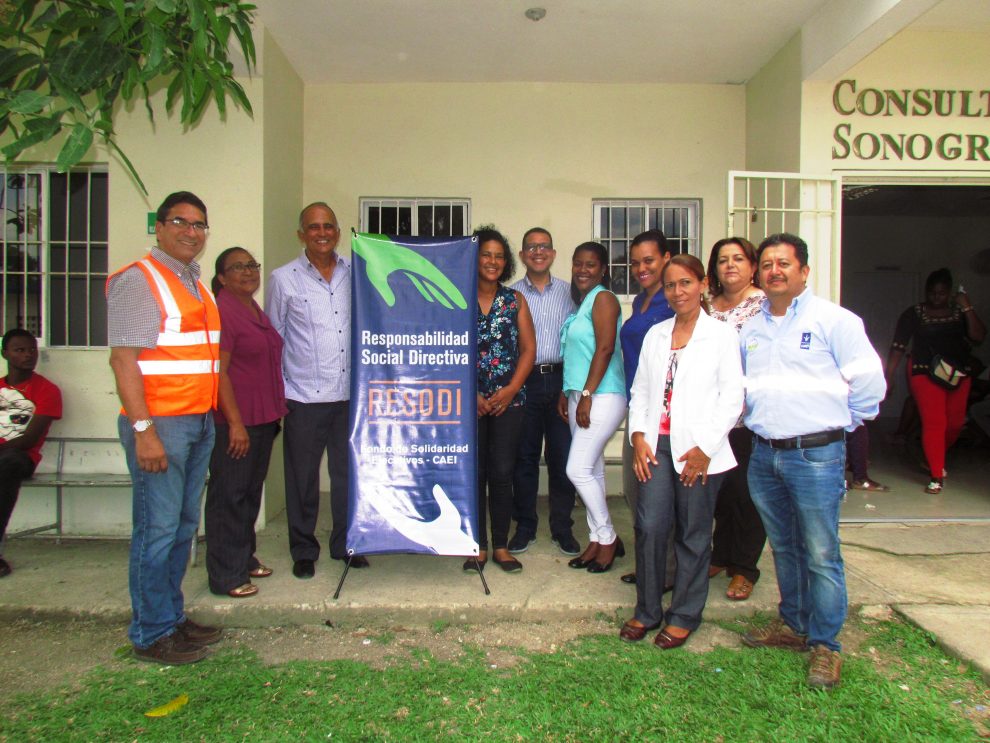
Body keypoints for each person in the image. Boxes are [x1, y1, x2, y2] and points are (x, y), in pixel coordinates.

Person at [739, 232, 885, 690]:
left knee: (821, 552)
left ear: (804, 271)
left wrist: (840, 426)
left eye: (784, 263)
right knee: (784, 546)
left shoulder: (834, 321)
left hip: (816, 456)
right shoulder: (752, 328)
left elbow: (869, 383)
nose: (774, 271)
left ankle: (826, 644)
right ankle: (793, 625)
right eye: (767, 264)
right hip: (765, 454)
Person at [107, 191, 223, 665]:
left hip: (197, 421)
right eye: (180, 222)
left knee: (180, 528)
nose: (190, 232)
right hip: (161, 426)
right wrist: (143, 429)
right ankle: (150, 632)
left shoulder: (196, 284)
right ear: (159, 226)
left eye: (199, 224)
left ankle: (171, 618)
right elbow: (123, 360)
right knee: (156, 530)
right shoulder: (140, 281)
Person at [621, 254, 743, 648]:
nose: (678, 292)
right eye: (671, 285)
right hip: (655, 447)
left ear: (703, 284)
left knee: (692, 533)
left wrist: (705, 449)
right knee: (650, 526)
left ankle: (685, 614)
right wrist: (638, 436)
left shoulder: (722, 335)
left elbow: (732, 398)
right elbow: (640, 390)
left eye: (686, 283)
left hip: (697, 451)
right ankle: (648, 610)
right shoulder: (657, 334)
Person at [267, 202, 366, 578]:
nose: (321, 233)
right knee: (302, 479)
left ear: (338, 233)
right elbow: (274, 339)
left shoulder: (356, 274)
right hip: (303, 398)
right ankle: (303, 549)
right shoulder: (283, 278)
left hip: (348, 398)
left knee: (347, 477)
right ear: (301, 234)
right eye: (313, 227)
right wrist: (279, 395)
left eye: (328, 226)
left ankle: (345, 545)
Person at [205, 247, 287, 598]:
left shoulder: (251, 307)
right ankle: (226, 575)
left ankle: (244, 556)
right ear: (222, 277)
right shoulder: (222, 311)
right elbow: (218, 372)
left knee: (249, 493)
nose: (248, 272)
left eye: (252, 265)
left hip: (262, 417)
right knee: (229, 496)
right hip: (235, 421)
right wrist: (235, 424)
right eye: (238, 267)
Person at [508, 227, 579, 557]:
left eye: (544, 246)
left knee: (562, 457)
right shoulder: (509, 295)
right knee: (524, 457)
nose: (538, 251)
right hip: (525, 382)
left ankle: (562, 527)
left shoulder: (570, 293)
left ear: (553, 254)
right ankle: (525, 525)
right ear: (522, 255)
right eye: (531, 247)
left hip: (563, 382)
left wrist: (573, 386)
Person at [558, 242, 627, 574]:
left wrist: (586, 394)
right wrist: (567, 392)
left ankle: (610, 537)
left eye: (590, 264)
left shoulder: (604, 298)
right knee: (594, 471)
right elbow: (576, 355)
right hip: (579, 395)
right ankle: (597, 539)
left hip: (602, 395)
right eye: (577, 264)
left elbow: (605, 348)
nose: (582, 269)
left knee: (577, 470)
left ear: (602, 270)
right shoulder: (582, 304)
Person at [886, 268, 986, 494]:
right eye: (932, 293)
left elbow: (978, 336)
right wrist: (888, 376)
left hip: (958, 374)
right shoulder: (914, 313)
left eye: (941, 293)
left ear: (949, 293)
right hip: (924, 372)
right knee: (935, 422)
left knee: (954, 424)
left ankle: (933, 458)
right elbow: (897, 347)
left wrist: (967, 306)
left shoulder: (960, 312)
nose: (936, 298)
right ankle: (936, 475)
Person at [472, 226, 536, 572]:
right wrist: (473, 394)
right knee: (474, 472)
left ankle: (500, 545)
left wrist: (511, 389)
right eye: (486, 254)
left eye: (499, 255)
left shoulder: (515, 300)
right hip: (468, 402)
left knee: (501, 472)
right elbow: (445, 348)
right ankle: (476, 545)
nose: (493, 261)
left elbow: (529, 349)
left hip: (510, 400)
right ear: (473, 258)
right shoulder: (455, 298)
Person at [706, 237, 766, 601]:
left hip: (748, 417)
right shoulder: (708, 306)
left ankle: (744, 568)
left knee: (746, 494)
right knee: (721, 491)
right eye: (723, 260)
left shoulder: (762, 306)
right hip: (712, 415)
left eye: (738, 259)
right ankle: (722, 554)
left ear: (752, 266)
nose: (730, 266)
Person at [617, 229, 674, 586]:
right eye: (635, 262)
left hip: (665, 414)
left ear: (666, 258)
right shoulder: (641, 302)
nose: (641, 268)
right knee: (637, 491)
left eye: (649, 260)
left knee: (659, 498)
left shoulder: (674, 302)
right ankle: (649, 568)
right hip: (638, 407)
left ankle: (666, 573)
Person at [0, 329, 63, 578]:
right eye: (20, 350)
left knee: (5, 468)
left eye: (32, 350)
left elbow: (29, 439)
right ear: (5, 353)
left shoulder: (46, 390)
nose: (28, 355)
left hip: (21, 457)